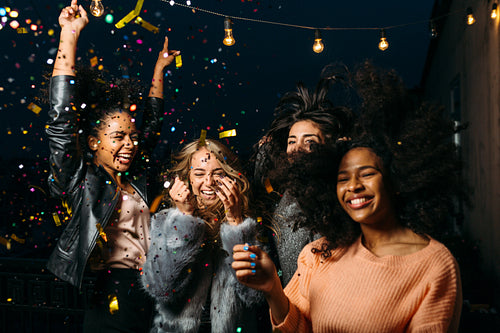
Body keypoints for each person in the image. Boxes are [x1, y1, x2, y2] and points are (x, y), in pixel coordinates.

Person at [232, 63, 463, 332]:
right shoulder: (317, 255)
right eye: (343, 178)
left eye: (366, 174)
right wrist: (272, 287)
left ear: (395, 179)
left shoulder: (433, 264)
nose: (353, 186)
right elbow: (297, 327)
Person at [45, 1, 180, 331]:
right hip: (111, 292)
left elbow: (151, 128)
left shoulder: (132, 181)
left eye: (131, 136)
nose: (129, 144)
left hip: (150, 290)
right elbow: (62, 120)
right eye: (118, 136)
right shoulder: (82, 181)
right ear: (93, 142)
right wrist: (70, 34)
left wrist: (158, 72)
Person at [140, 138, 270, 333]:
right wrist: (184, 219)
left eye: (217, 174)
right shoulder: (166, 220)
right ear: (187, 177)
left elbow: (253, 294)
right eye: (199, 173)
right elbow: (162, 289)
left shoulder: (247, 223)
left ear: (230, 176)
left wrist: (236, 223)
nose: (208, 183)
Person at [252, 69, 353, 286]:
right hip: (292, 309)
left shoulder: (340, 192)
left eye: (310, 142)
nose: (297, 149)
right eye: (292, 141)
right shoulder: (287, 196)